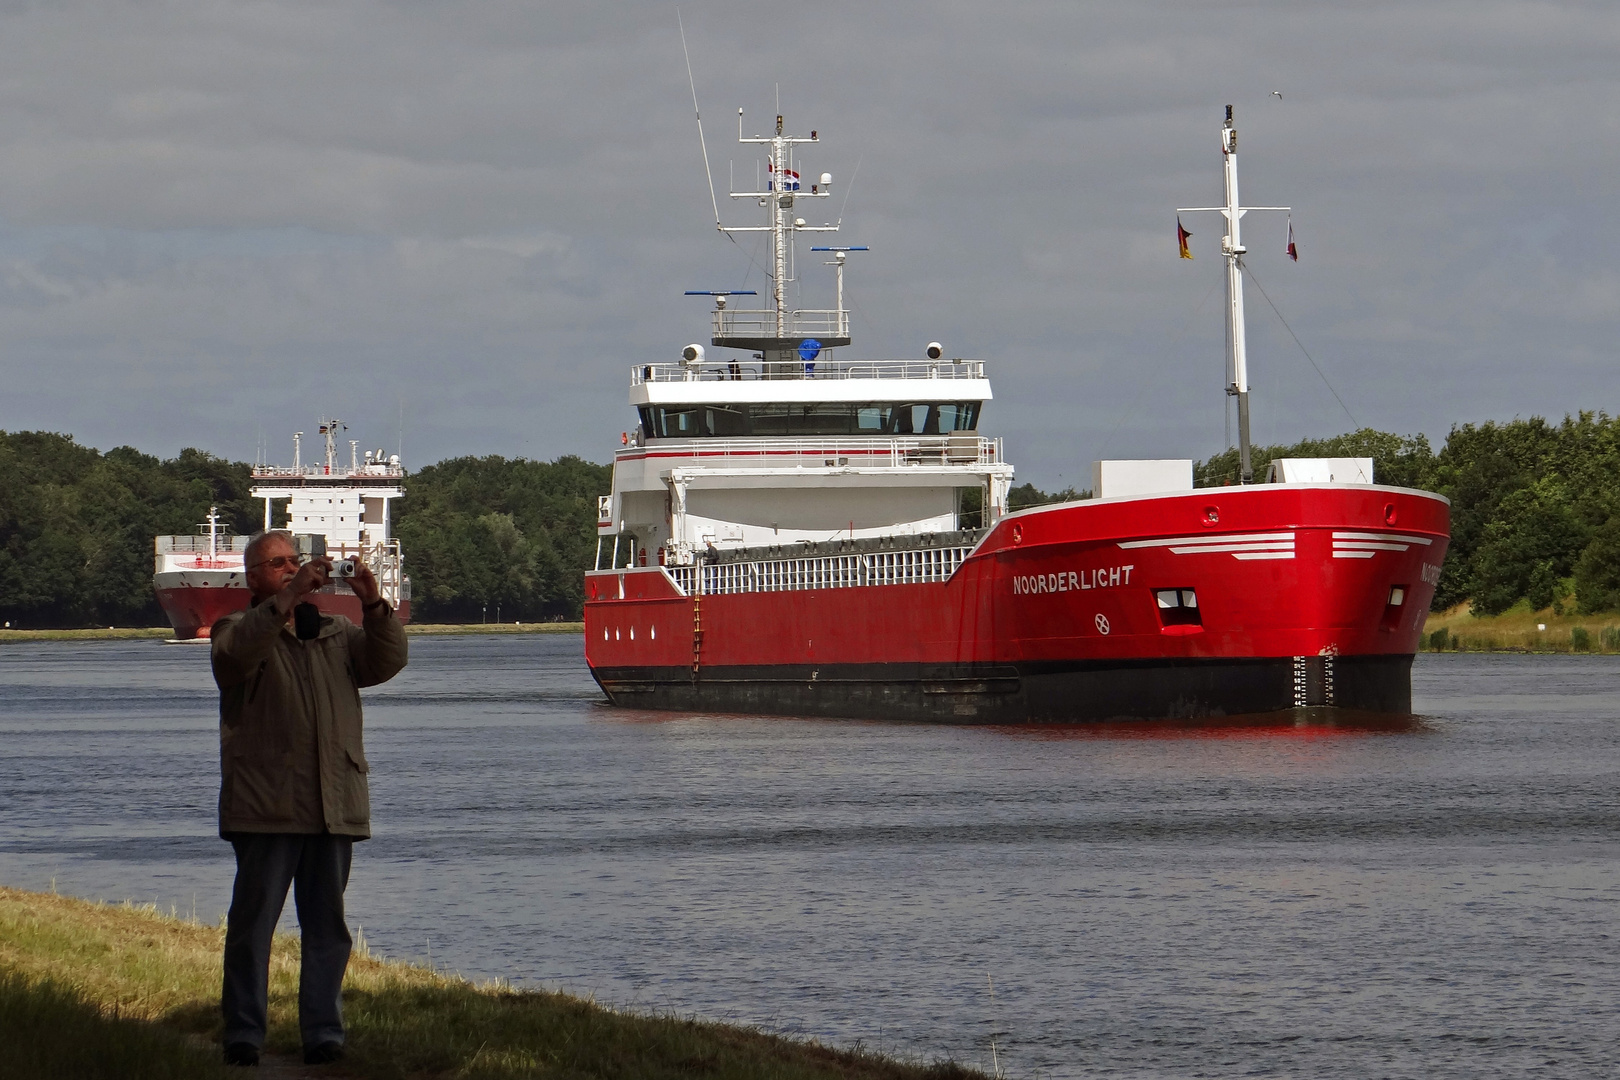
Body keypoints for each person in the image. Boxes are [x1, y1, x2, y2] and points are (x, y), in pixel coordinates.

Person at [210, 530, 408, 1068]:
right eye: (279, 565)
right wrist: (287, 599)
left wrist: (373, 602)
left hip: (333, 803)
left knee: (328, 929)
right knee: (254, 928)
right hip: (267, 806)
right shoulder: (236, 630)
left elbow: (386, 663)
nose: (294, 569)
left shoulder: (338, 634)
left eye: (297, 562)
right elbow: (233, 659)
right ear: (254, 578)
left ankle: (324, 1033)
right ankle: (244, 1033)